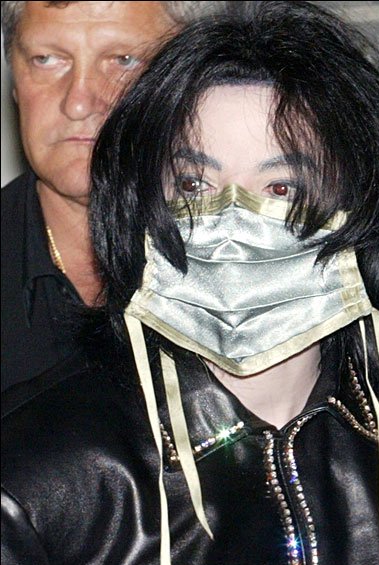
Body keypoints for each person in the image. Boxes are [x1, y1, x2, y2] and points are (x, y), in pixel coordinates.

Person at [2, 0, 379, 565]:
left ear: (362, 202)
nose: (232, 223)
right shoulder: (38, 468)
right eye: (195, 185)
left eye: (281, 188)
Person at [0, 0, 222, 392]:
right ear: (15, 80)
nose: (78, 102)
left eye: (123, 60)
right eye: (46, 59)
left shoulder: (264, 268)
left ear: (196, 79)